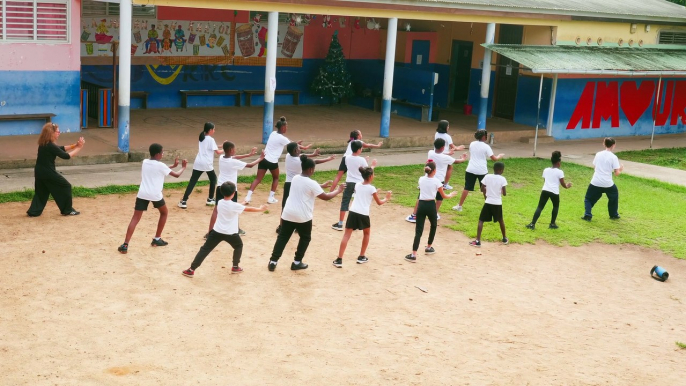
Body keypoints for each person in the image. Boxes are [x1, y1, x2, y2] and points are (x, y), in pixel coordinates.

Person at [268, 156, 345, 272]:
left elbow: (307, 185)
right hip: (302, 216)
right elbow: (326, 197)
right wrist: (338, 190)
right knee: (305, 238)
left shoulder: (295, 178)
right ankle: (297, 262)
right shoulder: (311, 183)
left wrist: (321, 186)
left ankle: (273, 261)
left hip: (288, 213)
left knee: (282, 238)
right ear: (311, 169)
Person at [182, 182, 268, 277]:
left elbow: (233, 206)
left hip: (216, 232)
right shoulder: (235, 206)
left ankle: (191, 269)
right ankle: (235, 266)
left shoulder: (220, 202)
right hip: (231, 234)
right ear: (234, 193)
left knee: (205, 249)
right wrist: (260, 209)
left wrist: (243, 203)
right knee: (238, 246)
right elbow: (247, 209)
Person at [118, 144, 187, 254]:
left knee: (135, 218)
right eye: (162, 152)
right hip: (155, 194)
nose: (163, 154)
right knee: (164, 213)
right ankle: (157, 239)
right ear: (157, 154)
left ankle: (125, 244)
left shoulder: (145, 162)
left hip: (142, 193)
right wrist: (183, 167)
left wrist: (172, 166)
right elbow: (176, 175)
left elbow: (158, 169)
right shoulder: (161, 165)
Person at [244, 116, 312, 204]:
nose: (287, 128)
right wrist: (305, 147)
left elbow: (291, 142)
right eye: (286, 127)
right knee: (276, 178)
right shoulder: (282, 138)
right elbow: (293, 144)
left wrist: (296, 143)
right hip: (272, 162)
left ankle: (248, 197)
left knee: (258, 179)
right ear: (283, 127)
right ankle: (271, 197)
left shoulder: (273, 133)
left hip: (263, 159)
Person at [333, 167, 392, 268]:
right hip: (363, 214)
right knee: (366, 234)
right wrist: (386, 198)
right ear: (370, 176)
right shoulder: (371, 188)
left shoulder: (358, 184)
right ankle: (361, 256)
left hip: (353, 212)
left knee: (346, 235)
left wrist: (374, 192)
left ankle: (339, 259)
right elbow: (379, 202)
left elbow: (363, 193)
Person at [206, 141, 264, 238]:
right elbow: (250, 165)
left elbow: (234, 157)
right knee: (235, 209)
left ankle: (210, 232)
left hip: (220, 186)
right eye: (234, 149)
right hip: (231, 188)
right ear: (231, 150)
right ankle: (236, 229)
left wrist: (248, 154)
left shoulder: (221, 158)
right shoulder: (233, 162)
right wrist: (260, 158)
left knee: (216, 210)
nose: (235, 151)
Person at [27, 123, 85, 217]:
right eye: (58, 132)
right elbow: (66, 156)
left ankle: (34, 212)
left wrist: (75, 145)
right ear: (51, 133)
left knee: (42, 192)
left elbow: (60, 148)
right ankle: (67, 210)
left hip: (39, 171)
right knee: (66, 186)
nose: (59, 133)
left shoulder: (44, 143)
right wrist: (79, 147)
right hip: (47, 172)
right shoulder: (50, 145)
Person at [405, 161, 458, 263]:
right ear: (434, 171)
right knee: (433, 225)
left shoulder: (421, 179)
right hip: (430, 205)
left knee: (418, 231)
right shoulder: (437, 181)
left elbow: (424, 181)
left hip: (421, 205)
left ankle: (413, 254)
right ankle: (429, 247)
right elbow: (443, 195)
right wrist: (450, 195)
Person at [276, 142, 335, 234]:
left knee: (286, 205)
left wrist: (312, 154)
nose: (300, 149)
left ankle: (281, 227)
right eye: (299, 148)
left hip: (288, 184)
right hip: (297, 183)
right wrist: (328, 159)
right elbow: (313, 162)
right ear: (295, 150)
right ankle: (293, 226)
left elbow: (302, 156)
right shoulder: (298, 161)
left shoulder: (288, 155)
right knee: (299, 203)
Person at [406, 138, 467, 223]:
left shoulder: (430, 153)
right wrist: (463, 158)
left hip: (427, 179)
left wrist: (448, 153)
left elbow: (439, 154)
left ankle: (414, 215)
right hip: (439, 181)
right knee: (439, 198)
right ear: (442, 147)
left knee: (421, 197)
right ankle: (434, 214)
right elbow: (456, 161)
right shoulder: (446, 158)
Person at [453, 130, 504, 212]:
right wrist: (499, 156)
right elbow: (494, 158)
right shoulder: (486, 147)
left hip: (470, 169)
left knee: (467, 188)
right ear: (484, 137)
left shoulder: (472, 144)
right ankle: (489, 207)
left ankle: (459, 206)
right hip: (482, 170)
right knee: (485, 189)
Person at [332, 140, 377, 231]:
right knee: (358, 202)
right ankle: (356, 224)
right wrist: (372, 165)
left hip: (349, 182)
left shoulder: (347, 158)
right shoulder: (361, 160)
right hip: (359, 184)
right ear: (359, 149)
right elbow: (367, 171)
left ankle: (340, 223)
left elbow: (355, 165)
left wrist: (364, 161)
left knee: (345, 202)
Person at [178, 122, 222, 209]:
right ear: (210, 130)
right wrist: (226, 148)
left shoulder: (202, 137)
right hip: (207, 163)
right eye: (213, 129)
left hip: (198, 162)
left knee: (192, 182)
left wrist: (222, 145)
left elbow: (213, 147)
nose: (214, 130)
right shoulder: (211, 139)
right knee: (213, 179)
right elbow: (218, 152)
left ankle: (184, 201)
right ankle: (210, 199)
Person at [526, 151, 573, 230]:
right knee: (555, 206)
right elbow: (562, 183)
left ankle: (532, 224)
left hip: (545, 190)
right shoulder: (560, 172)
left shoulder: (546, 170)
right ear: (558, 163)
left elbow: (545, 180)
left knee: (540, 207)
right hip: (554, 192)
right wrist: (567, 186)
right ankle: (552, 224)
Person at [582, 137, 624, 222]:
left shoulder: (598, 154)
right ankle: (613, 214)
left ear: (604, 144)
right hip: (607, 183)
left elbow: (595, 167)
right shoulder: (613, 157)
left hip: (596, 181)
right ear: (613, 145)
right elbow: (616, 173)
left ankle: (587, 214)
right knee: (614, 196)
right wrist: (620, 169)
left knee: (588, 199)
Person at [469, 162, 508, 247]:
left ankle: (478, 240)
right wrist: (500, 191)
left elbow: (482, 188)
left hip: (488, 202)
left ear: (494, 169)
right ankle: (504, 238)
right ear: (501, 170)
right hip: (498, 203)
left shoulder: (487, 176)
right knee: (500, 220)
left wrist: (487, 192)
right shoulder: (502, 179)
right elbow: (504, 193)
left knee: (481, 220)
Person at [434, 120, 465, 190]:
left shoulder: (436, 134)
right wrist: (459, 148)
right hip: (444, 155)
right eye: (448, 126)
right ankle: (445, 184)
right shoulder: (447, 136)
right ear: (445, 127)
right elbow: (453, 147)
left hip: (436, 153)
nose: (448, 127)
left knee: (435, 167)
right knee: (450, 167)